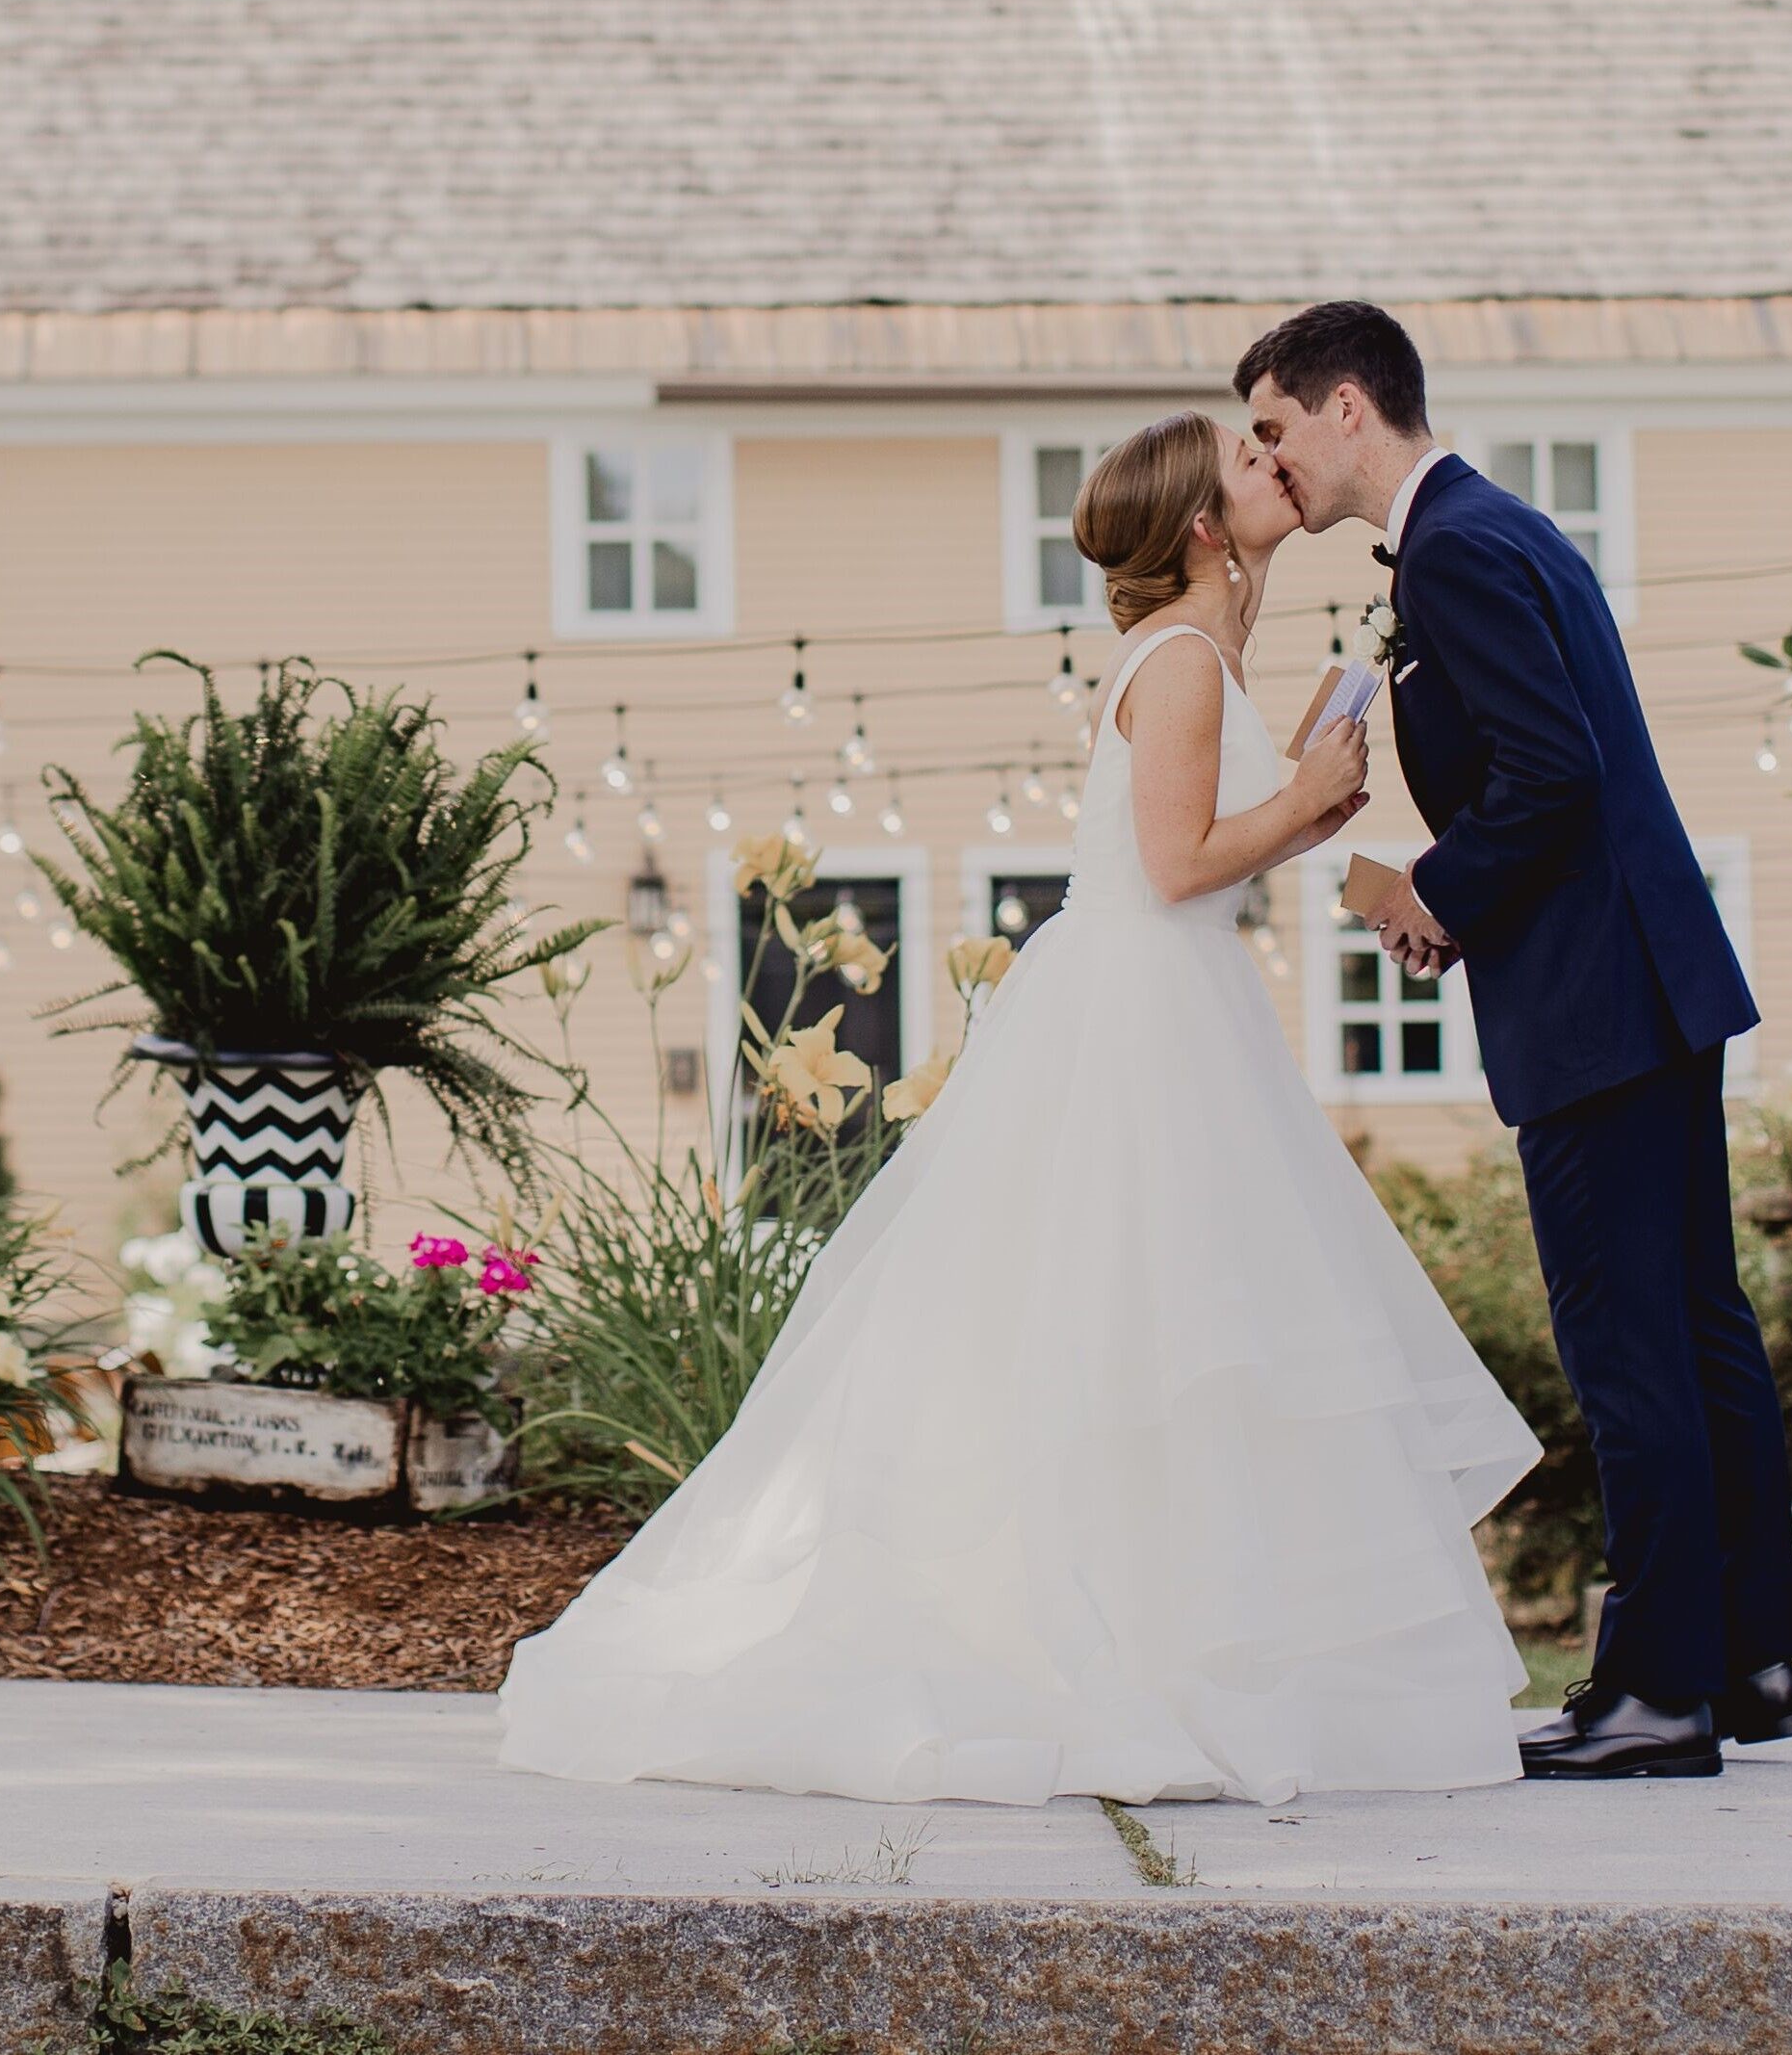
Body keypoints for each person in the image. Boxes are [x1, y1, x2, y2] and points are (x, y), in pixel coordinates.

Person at [496, 409, 1540, 1806]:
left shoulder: (1205, 653)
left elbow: (1205, 837)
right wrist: (1300, 808)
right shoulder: (1176, 660)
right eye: (1245, 460)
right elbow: (1177, 865)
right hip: (1140, 1023)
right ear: (1202, 528)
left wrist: (1299, 795)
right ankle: (1121, 1648)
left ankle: (1171, 1629)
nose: (1270, 461)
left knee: (1175, 1335)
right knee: (1144, 1330)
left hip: (1167, 1012)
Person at [1240, 299, 1792, 1782]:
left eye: (1276, 430)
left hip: (1596, 1004)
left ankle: (1657, 1694)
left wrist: (1435, 890)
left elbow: (1552, 775)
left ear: (1348, 408)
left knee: (1631, 1348)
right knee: (1697, 1330)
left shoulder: (1460, 551)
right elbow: (1560, 775)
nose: (1270, 460)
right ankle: (1743, 1657)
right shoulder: (1496, 530)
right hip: (1644, 980)